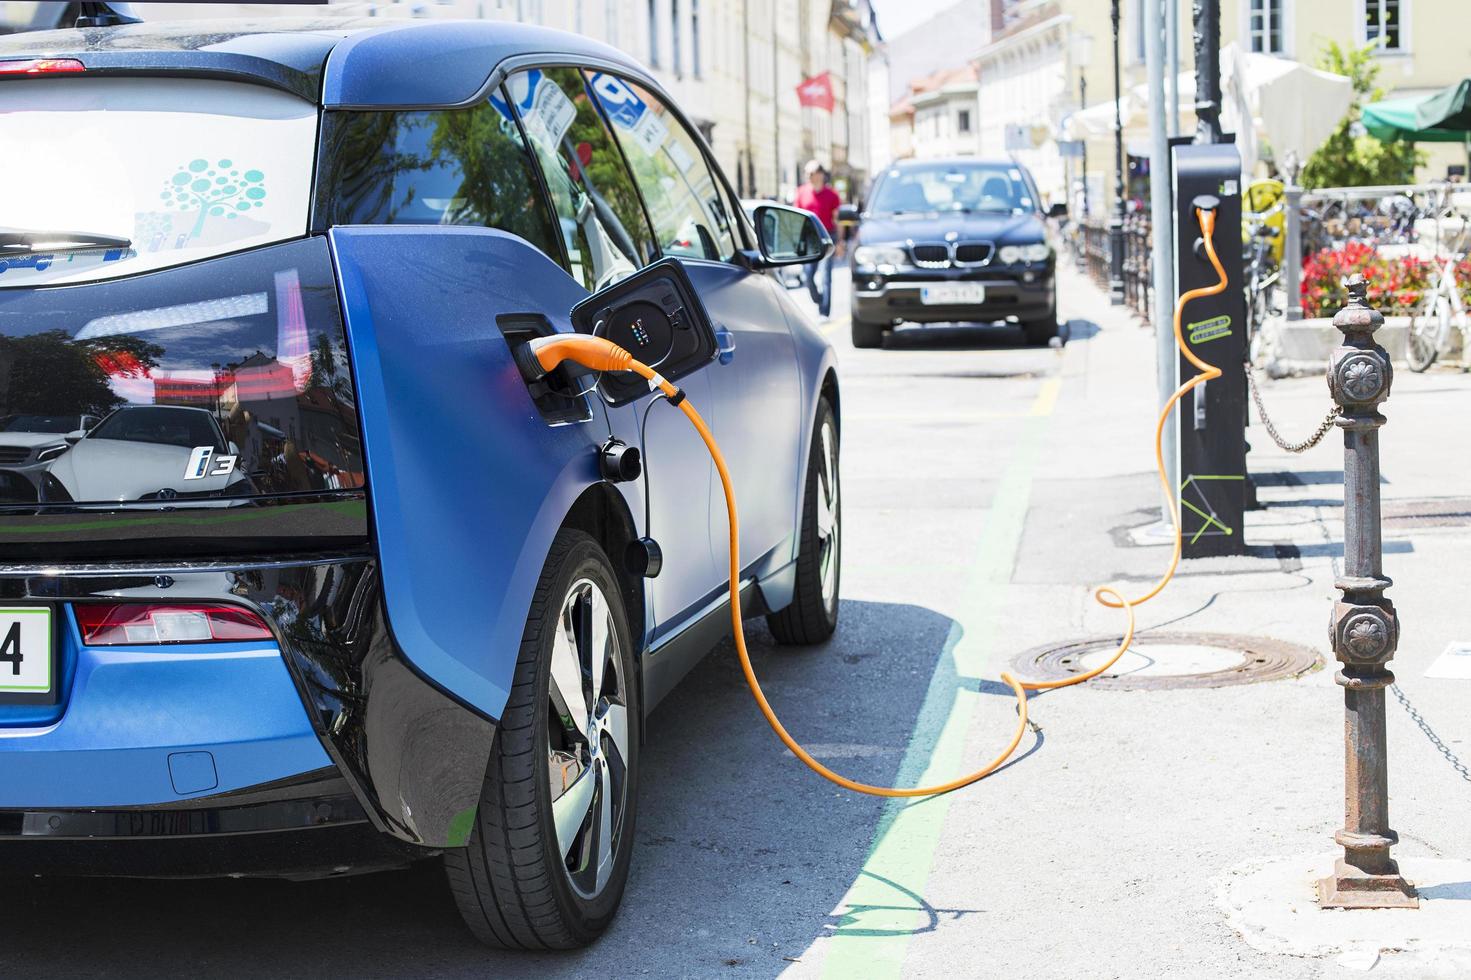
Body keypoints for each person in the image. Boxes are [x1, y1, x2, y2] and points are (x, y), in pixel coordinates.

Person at [794, 159, 841, 320]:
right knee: (808, 275)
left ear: (820, 175)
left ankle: (824, 312)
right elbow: (796, 219)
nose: (808, 176)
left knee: (826, 275)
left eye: (811, 173)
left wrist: (840, 242)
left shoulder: (832, 194)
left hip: (827, 237)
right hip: (809, 239)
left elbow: (837, 220)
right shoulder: (801, 192)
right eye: (807, 173)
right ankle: (818, 299)